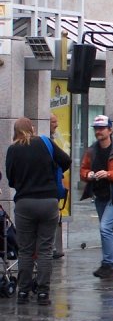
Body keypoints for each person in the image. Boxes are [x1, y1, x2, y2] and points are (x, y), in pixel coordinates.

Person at [5, 117, 71, 305]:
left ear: (16, 131)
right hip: (48, 202)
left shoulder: (13, 149)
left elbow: (10, 180)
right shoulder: (45, 142)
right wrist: (51, 173)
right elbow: (66, 160)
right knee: (45, 250)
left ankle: (23, 293)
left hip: (25, 203)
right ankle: (43, 293)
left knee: (25, 251)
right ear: (31, 129)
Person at [80, 115, 113, 279]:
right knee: (108, 229)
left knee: (104, 227)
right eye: (96, 128)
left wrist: (108, 174)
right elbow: (83, 171)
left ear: (110, 130)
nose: (98, 131)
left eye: (102, 128)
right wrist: (90, 175)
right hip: (100, 195)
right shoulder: (91, 150)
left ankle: (108, 263)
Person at [50, 113, 67, 260]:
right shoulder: (47, 142)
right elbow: (66, 160)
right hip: (50, 192)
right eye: (54, 122)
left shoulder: (51, 140)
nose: (56, 125)